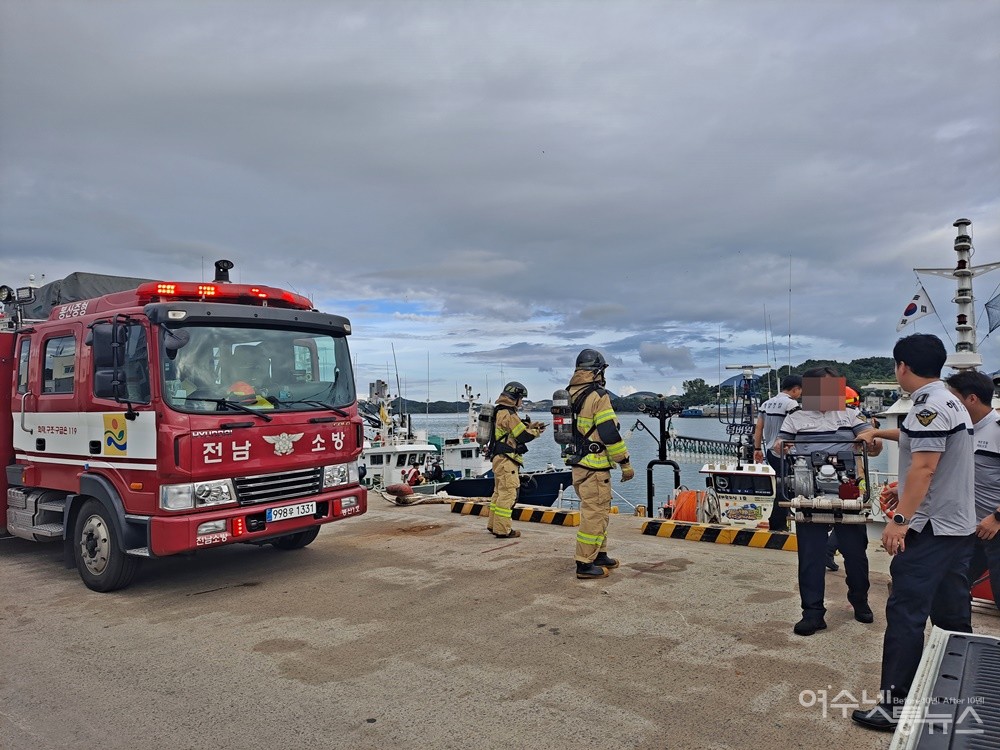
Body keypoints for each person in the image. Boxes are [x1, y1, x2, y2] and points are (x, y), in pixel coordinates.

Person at [852, 334, 976, 732]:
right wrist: (876, 433)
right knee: (951, 615)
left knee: (906, 612)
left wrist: (899, 520)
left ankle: (894, 705)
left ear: (902, 366)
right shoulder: (948, 401)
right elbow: (916, 439)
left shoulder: (928, 406)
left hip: (931, 528)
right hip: (957, 527)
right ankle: (958, 697)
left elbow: (924, 468)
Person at [774, 366, 882, 636]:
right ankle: (812, 613)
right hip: (807, 490)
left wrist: (873, 442)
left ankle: (860, 601)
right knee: (810, 556)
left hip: (847, 489)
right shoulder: (795, 419)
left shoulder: (851, 415)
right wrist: (779, 446)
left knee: (855, 553)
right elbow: (779, 446)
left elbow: (873, 444)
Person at [565, 349, 634, 579]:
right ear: (597, 371)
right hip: (594, 467)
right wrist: (624, 462)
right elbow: (609, 433)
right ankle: (584, 564)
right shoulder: (597, 395)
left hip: (579, 464)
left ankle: (599, 554)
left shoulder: (571, 394)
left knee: (599, 511)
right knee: (594, 514)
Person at [944, 370, 1000, 610]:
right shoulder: (962, 430)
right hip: (973, 528)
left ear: (971, 399)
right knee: (952, 582)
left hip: (995, 527)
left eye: (952, 399)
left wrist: (998, 517)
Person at [485, 382, 545, 539]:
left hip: (499, 459)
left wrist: (531, 425)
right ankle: (503, 530)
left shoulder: (501, 411)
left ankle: (494, 525)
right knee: (508, 495)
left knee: (498, 493)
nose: (522, 402)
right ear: (516, 398)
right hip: (507, 460)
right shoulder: (509, 414)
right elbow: (523, 436)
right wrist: (536, 431)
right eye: (522, 399)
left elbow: (513, 430)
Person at [753, 374, 802, 532]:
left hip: (769, 451)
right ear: (795, 389)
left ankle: (779, 521)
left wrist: (757, 449)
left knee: (782, 485)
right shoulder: (791, 404)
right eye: (800, 391)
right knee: (786, 487)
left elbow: (759, 428)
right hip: (785, 451)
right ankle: (778, 523)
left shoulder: (766, 404)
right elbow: (798, 427)